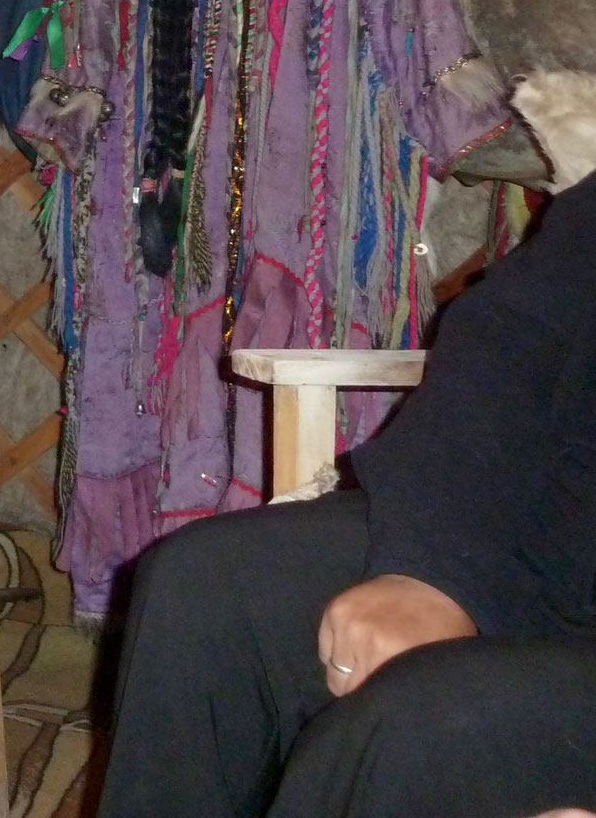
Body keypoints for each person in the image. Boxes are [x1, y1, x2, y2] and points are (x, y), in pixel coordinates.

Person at [96, 169, 596, 818]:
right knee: (211, 588)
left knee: (420, 724)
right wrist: (436, 573)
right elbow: (509, 344)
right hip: (561, 552)